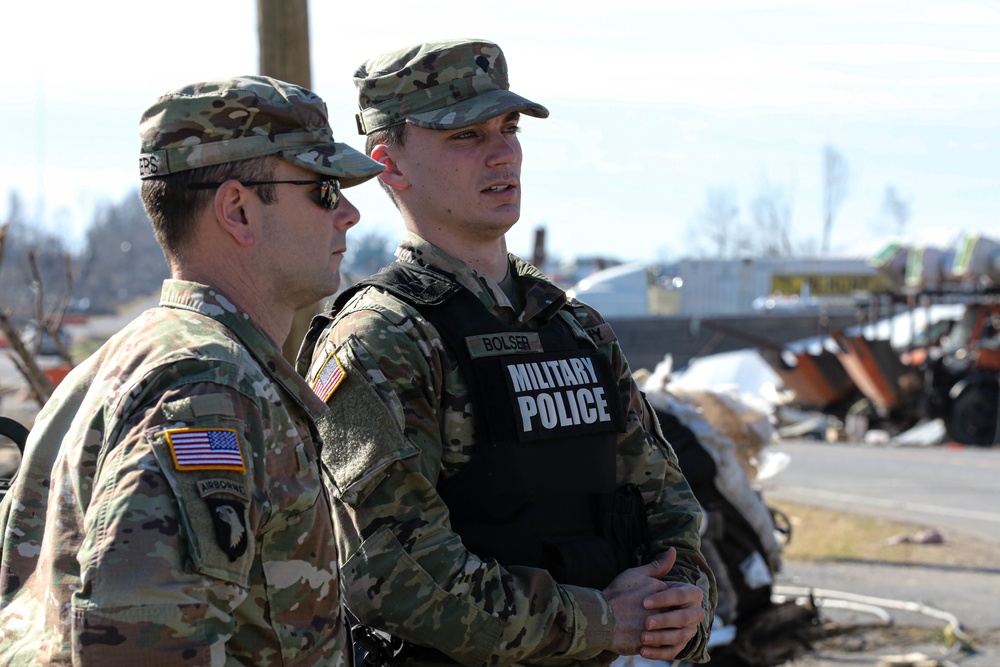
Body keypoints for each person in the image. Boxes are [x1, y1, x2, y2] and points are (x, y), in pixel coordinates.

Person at [297, 40, 716, 665]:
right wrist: (602, 622)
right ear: (389, 165)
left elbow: (670, 510)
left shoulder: (574, 327)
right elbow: (396, 577)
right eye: (465, 136)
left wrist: (681, 602)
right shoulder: (380, 340)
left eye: (509, 127)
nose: (503, 153)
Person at [0, 75, 384, 665]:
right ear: (237, 210)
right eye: (325, 190)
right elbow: (143, 648)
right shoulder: (207, 386)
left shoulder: (122, 363)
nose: (350, 214)